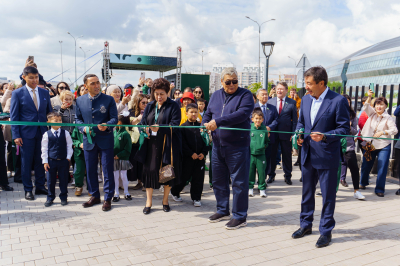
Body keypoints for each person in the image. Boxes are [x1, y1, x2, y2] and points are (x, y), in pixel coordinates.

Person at [293, 66, 349, 248]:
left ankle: (325, 231)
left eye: (309, 84)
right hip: (308, 154)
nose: (306, 87)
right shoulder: (306, 100)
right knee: (307, 194)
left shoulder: (338, 100)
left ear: (321, 83)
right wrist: (300, 134)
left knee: (328, 196)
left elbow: (344, 129)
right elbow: (301, 123)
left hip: (327, 155)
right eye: (305, 83)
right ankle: (305, 225)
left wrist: (325, 136)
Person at [203, 67, 254, 230]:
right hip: (217, 145)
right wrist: (204, 124)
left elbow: (242, 114)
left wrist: (219, 122)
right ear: (221, 82)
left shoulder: (245, 95)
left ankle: (239, 216)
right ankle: (222, 210)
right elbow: (208, 113)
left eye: (235, 81)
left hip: (237, 146)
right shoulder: (216, 95)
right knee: (218, 180)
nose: (232, 84)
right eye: (228, 82)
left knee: (239, 182)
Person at [135, 78, 182, 215]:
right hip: (151, 144)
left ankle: (165, 201)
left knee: (166, 172)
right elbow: (143, 123)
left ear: (168, 92)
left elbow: (175, 126)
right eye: (156, 93)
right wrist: (144, 130)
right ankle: (148, 202)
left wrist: (159, 128)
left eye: (162, 93)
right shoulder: (149, 105)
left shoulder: (173, 106)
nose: (159, 97)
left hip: (167, 144)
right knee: (149, 172)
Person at [75, 74, 118, 211]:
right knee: (91, 170)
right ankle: (94, 195)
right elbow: (78, 119)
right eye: (93, 83)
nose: (96, 86)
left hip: (105, 139)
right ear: (86, 86)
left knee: (106, 169)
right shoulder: (80, 100)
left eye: (98, 82)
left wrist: (107, 124)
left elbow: (114, 119)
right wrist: (83, 128)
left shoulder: (109, 99)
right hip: (89, 140)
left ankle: (107, 198)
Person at [10, 66, 53, 200]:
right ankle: (28, 189)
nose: (34, 80)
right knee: (26, 162)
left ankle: (40, 186)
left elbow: (49, 113)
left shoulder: (44, 93)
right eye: (31, 78)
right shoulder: (17, 93)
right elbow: (14, 116)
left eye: (36, 77)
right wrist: (16, 135)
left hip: (42, 133)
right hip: (25, 135)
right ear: (24, 77)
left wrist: (52, 130)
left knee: (41, 160)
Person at [359, 90, 397, 197]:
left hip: (384, 145)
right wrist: (369, 96)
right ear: (374, 106)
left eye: (381, 104)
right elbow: (366, 105)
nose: (379, 107)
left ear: (386, 106)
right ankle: (363, 182)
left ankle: (380, 189)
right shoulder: (372, 114)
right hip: (370, 144)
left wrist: (383, 132)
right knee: (366, 164)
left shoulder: (388, 118)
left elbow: (394, 130)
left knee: (382, 167)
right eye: (377, 104)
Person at [171, 103, 208, 206]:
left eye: (196, 112)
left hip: (200, 159)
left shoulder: (201, 127)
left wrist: (204, 153)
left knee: (198, 179)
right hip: (187, 159)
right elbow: (181, 143)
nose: (194, 114)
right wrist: (191, 153)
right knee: (183, 178)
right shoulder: (182, 127)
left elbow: (206, 141)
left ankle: (196, 198)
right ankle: (175, 192)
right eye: (191, 112)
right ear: (186, 113)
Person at [267, 82, 298, 185]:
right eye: (278, 89)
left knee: (286, 156)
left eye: (281, 89)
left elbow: (294, 120)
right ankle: (271, 175)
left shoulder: (292, 102)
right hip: (273, 133)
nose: (279, 91)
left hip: (286, 134)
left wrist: (293, 134)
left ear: (286, 90)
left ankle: (288, 176)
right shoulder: (270, 101)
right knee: (272, 155)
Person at [41, 112, 73, 207]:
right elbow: (44, 149)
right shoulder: (47, 134)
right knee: (51, 181)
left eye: (60, 120)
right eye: (56, 120)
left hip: (63, 161)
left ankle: (63, 197)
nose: (59, 122)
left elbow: (69, 146)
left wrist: (68, 158)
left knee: (63, 180)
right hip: (51, 161)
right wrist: (45, 161)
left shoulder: (65, 133)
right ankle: (50, 197)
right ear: (49, 122)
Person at [339, 94, 365, 200]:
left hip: (349, 146)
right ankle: (328, 190)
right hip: (335, 145)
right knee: (333, 169)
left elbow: (355, 132)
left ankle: (356, 190)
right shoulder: (334, 113)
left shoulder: (353, 115)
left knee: (354, 168)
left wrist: (349, 126)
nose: (346, 103)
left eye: (348, 102)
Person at [254, 88, 278, 183]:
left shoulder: (272, 107)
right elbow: (249, 120)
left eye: (266, 94)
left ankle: (264, 178)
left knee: (268, 158)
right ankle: (258, 178)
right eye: (262, 94)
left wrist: (269, 127)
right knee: (257, 160)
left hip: (269, 138)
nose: (265, 96)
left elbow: (276, 120)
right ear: (258, 96)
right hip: (256, 139)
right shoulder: (254, 108)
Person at [127, 94, 148, 190]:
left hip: (145, 140)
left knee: (144, 163)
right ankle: (139, 182)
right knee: (135, 163)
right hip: (134, 141)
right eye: (143, 102)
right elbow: (128, 125)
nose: (145, 104)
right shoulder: (131, 112)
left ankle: (145, 183)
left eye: (147, 103)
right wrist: (137, 119)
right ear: (137, 102)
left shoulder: (149, 111)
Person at [248, 107, 269, 198]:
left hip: (261, 155)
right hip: (251, 154)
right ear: (252, 119)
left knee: (261, 173)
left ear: (262, 119)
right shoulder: (249, 128)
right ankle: (250, 188)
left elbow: (267, 141)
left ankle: (262, 189)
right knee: (250, 172)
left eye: (260, 119)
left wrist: (264, 146)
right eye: (256, 118)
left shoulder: (264, 129)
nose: (258, 120)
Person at [112, 113, 133, 202]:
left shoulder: (126, 134)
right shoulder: (114, 132)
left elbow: (128, 149)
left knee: (123, 175)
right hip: (114, 158)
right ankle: (116, 193)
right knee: (115, 176)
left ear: (120, 122)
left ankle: (126, 192)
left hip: (123, 158)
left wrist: (119, 155)